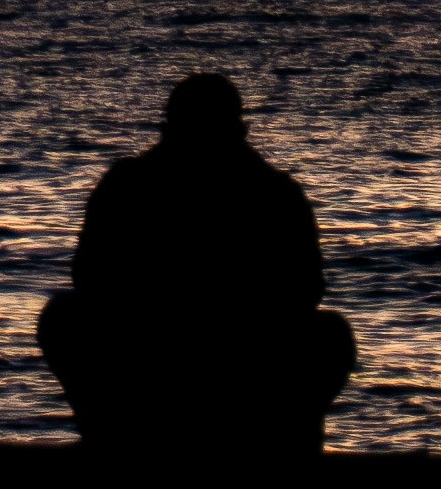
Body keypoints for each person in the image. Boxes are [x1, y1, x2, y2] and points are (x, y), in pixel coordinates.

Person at [34, 71, 357, 453]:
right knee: (329, 333)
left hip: (167, 359)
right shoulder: (276, 192)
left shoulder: (128, 184)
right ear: (239, 128)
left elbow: (89, 277)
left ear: (169, 126)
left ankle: (112, 437)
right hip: (214, 359)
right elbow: (306, 290)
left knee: (64, 315)